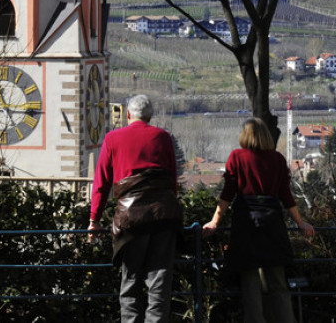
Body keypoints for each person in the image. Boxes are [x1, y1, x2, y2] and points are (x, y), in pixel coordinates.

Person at [202, 117, 316, 323]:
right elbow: (286, 196)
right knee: (278, 281)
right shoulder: (278, 160)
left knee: (250, 282)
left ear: (245, 135)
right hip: (272, 224)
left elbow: (228, 194)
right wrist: (301, 222)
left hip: (246, 223)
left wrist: (214, 221)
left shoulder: (237, 157)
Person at [89, 94, 182, 323]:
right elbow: (173, 180)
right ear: (150, 116)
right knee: (159, 283)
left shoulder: (113, 139)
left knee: (130, 283)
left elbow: (101, 184)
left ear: (128, 115)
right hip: (164, 216)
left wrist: (94, 219)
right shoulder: (163, 137)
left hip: (130, 220)